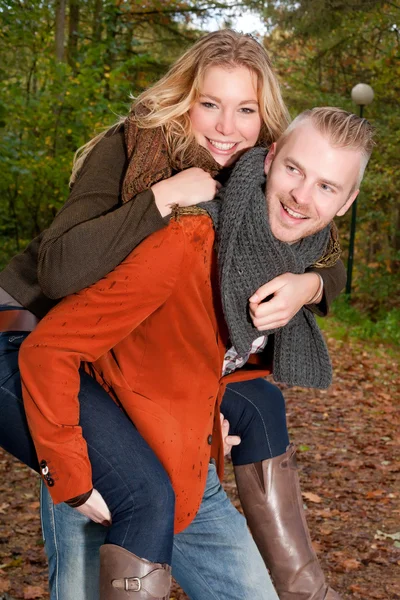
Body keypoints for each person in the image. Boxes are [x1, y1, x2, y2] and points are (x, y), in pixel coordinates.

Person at [0, 30, 347, 599]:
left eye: (245, 110)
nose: (225, 127)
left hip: (131, 353)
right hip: (37, 329)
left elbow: (322, 250)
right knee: (115, 492)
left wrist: (308, 286)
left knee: (259, 405)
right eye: (209, 104)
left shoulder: (267, 171)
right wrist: (160, 198)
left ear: (266, 121)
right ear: (185, 100)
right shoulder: (135, 148)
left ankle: (300, 585)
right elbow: (58, 271)